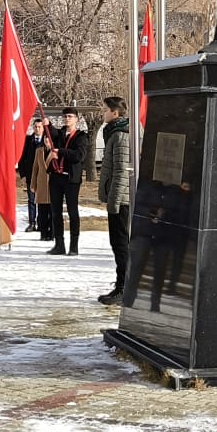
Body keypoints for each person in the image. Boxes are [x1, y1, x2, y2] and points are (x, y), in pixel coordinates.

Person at [96, 97, 130, 304]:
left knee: (121, 244)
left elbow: (123, 172)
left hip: (122, 200)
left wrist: (114, 201)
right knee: (118, 243)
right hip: (119, 198)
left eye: (106, 110)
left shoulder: (121, 136)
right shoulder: (115, 133)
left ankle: (123, 287)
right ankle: (121, 284)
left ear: (115, 113)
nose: (103, 113)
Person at [48, 109, 89, 257]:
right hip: (55, 177)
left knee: (72, 211)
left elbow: (79, 156)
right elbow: (51, 133)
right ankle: (59, 244)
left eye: (70, 116)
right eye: (65, 116)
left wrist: (61, 152)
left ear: (76, 119)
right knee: (55, 212)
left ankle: (74, 246)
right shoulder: (59, 134)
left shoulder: (81, 137)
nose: (67, 119)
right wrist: (48, 124)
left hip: (71, 179)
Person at [19, 116, 50, 236]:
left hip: (43, 176)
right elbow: (22, 159)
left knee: (42, 200)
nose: (37, 129)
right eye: (35, 127)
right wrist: (23, 175)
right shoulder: (27, 140)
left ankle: (42, 223)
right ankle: (32, 223)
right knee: (31, 200)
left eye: (39, 127)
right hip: (30, 175)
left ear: (43, 128)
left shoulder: (47, 140)